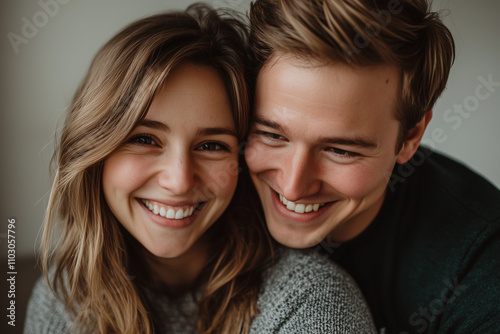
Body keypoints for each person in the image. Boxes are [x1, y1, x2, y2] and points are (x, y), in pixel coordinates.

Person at [24, 4, 377, 334]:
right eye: (145, 139)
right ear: (95, 149)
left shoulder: (311, 301)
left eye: (211, 146)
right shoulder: (60, 297)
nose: (179, 181)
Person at [245, 0, 500, 333]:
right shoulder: (202, 185)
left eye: (340, 150)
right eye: (271, 135)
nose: (293, 185)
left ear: (410, 137)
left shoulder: (481, 269)